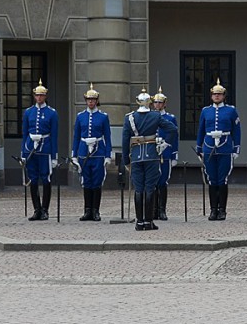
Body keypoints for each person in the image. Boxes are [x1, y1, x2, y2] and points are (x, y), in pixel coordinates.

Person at [123, 88, 178, 230]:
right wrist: (165, 144)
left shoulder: (129, 117)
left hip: (135, 156)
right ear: (149, 102)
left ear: (137, 102)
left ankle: (139, 222)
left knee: (138, 189)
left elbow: (125, 141)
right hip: (152, 155)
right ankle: (148, 221)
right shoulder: (155, 116)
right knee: (150, 188)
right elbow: (172, 129)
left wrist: (125, 160)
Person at [196, 79, 241, 221]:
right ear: (211, 96)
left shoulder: (231, 110)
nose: (217, 96)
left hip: (225, 146)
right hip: (209, 146)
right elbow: (201, 130)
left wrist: (236, 148)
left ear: (224, 96)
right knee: (211, 179)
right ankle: (213, 209)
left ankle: (222, 210)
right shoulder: (205, 111)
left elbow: (236, 130)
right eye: (214, 94)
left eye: (219, 94)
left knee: (222, 179)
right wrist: (199, 147)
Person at [71, 83, 113, 221]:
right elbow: (76, 136)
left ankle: (96, 210)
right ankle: (87, 210)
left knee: (97, 181)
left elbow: (107, 136)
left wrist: (108, 155)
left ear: (97, 101)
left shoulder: (103, 116)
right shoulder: (80, 116)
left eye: (93, 100)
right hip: (84, 151)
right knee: (86, 181)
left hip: (98, 151)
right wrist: (74, 154)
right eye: (89, 100)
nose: (91, 102)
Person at [21, 79, 59, 221]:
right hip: (31, 148)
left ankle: (45, 209)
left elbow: (54, 135)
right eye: (37, 95)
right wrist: (23, 153)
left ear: (45, 96)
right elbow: (24, 134)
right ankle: (36, 209)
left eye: (41, 95)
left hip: (45, 148)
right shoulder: (28, 112)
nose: (39, 98)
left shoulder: (52, 113)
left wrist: (54, 156)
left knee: (46, 178)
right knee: (33, 179)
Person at [152, 86, 178, 220]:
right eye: (156, 102)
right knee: (153, 182)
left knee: (163, 181)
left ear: (164, 104)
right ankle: (153, 210)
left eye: (160, 102)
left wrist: (174, 154)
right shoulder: (149, 117)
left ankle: (162, 209)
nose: (157, 105)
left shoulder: (170, 118)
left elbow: (174, 136)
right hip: (152, 153)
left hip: (165, 152)